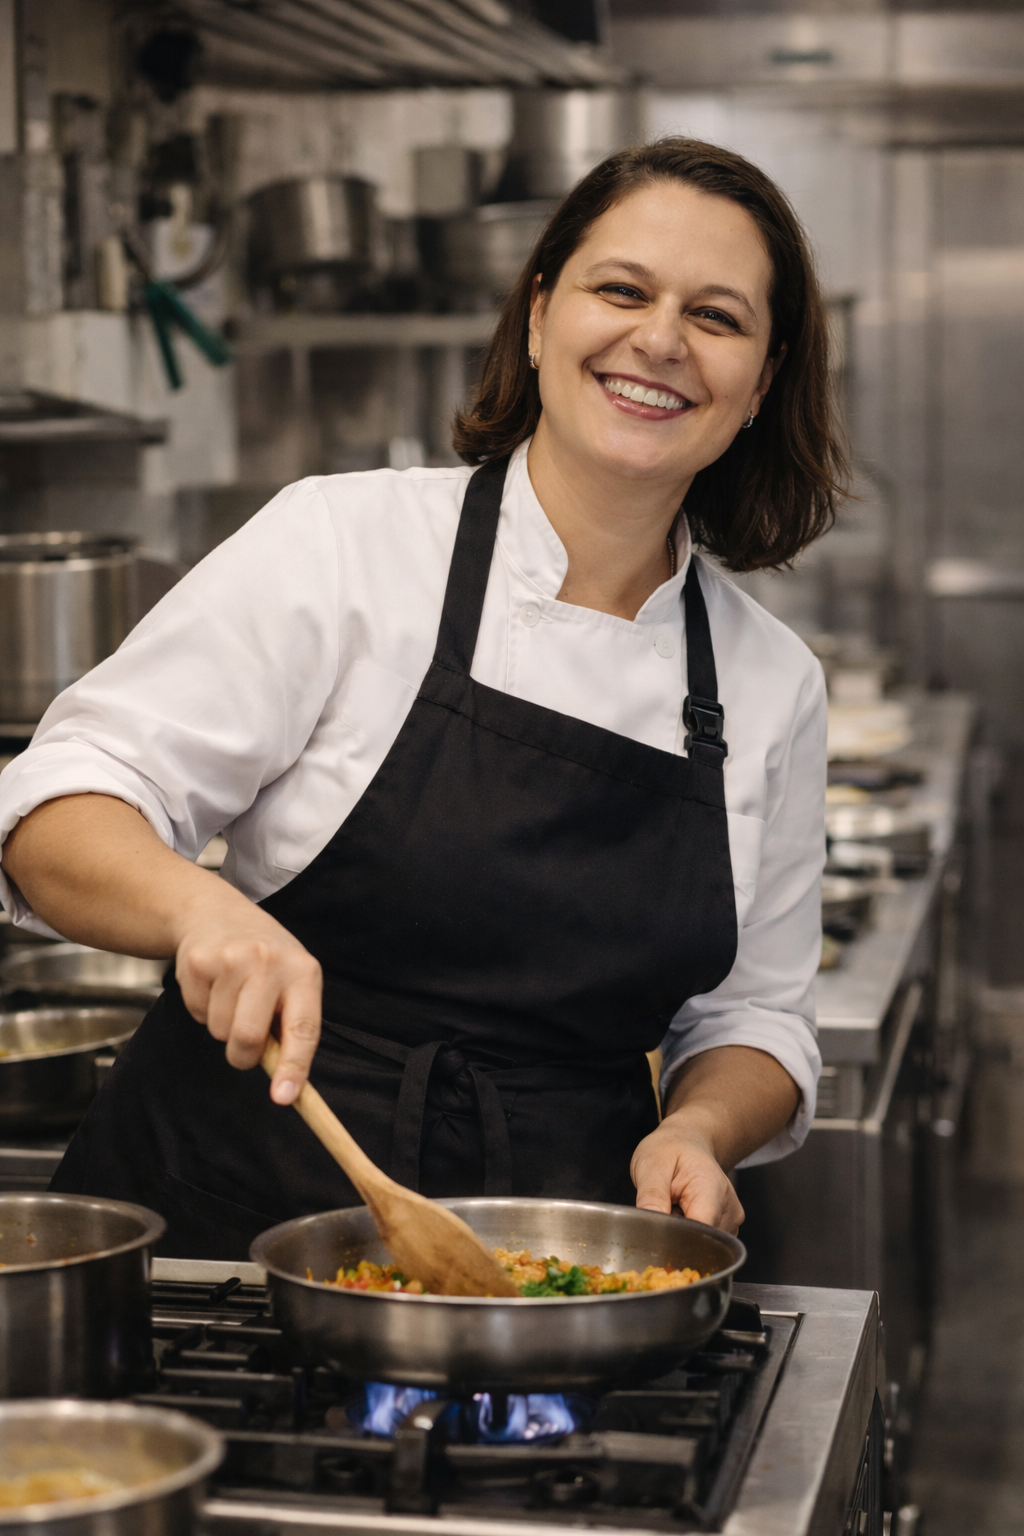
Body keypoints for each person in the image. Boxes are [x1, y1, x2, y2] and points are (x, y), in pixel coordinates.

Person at [0, 138, 844, 1260]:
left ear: (761, 382)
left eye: (717, 316)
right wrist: (201, 910)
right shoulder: (344, 545)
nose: (660, 340)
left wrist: (697, 1125)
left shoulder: (769, 682)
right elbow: (57, 810)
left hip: (550, 1272)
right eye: (621, 290)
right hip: (224, 1239)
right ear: (538, 315)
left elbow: (755, 1019)